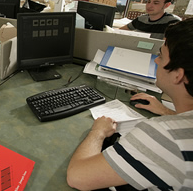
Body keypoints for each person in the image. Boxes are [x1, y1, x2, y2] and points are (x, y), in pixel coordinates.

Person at [67, 18, 193, 190]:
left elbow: (77, 177)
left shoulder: (168, 137)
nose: (156, 61)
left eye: (161, 56)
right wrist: (167, 111)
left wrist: (98, 131)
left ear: (178, 75)